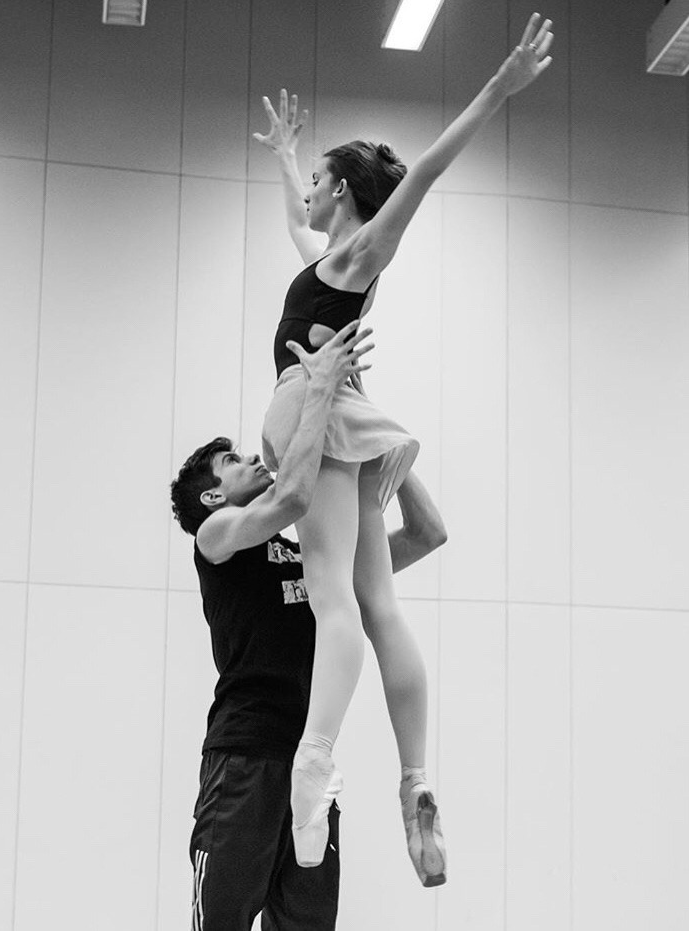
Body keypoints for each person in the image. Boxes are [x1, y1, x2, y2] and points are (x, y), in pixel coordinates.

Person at [253, 11, 554, 880]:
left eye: (315, 178)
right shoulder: (333, 260)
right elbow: (296, 231)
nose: (308, 191)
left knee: (331, 599)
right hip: (351, 409)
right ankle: (416, 781)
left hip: (310, 409)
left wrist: (499, 88)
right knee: (378, 602)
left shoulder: (361, 258)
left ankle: (314, 759)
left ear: (343, 192)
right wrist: (283, 156)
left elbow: (422, 171)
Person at [171, 320, 448, 930]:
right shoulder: (215, 538)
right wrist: (324, 392)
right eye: (233, 462)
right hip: (243, 761)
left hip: (309, 777)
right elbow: (293, 497)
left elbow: (428, 534)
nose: (250, 459)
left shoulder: (316, 562)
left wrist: (371, 439)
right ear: (214, 497)